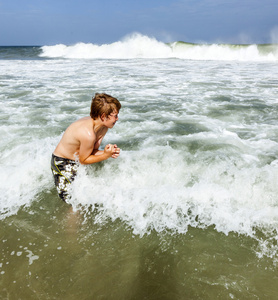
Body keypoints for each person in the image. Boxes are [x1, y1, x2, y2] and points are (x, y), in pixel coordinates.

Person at [51, 93, 121, 202]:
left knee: (86, 197)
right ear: (103, 116)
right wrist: (105, 155)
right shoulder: (88, 134)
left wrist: (108, 153)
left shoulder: (103, 127)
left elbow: (91, 151)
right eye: (115, 116)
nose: (117, 119)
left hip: (76, 160)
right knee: (75, 201)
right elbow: (83, 160)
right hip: (62, 162)